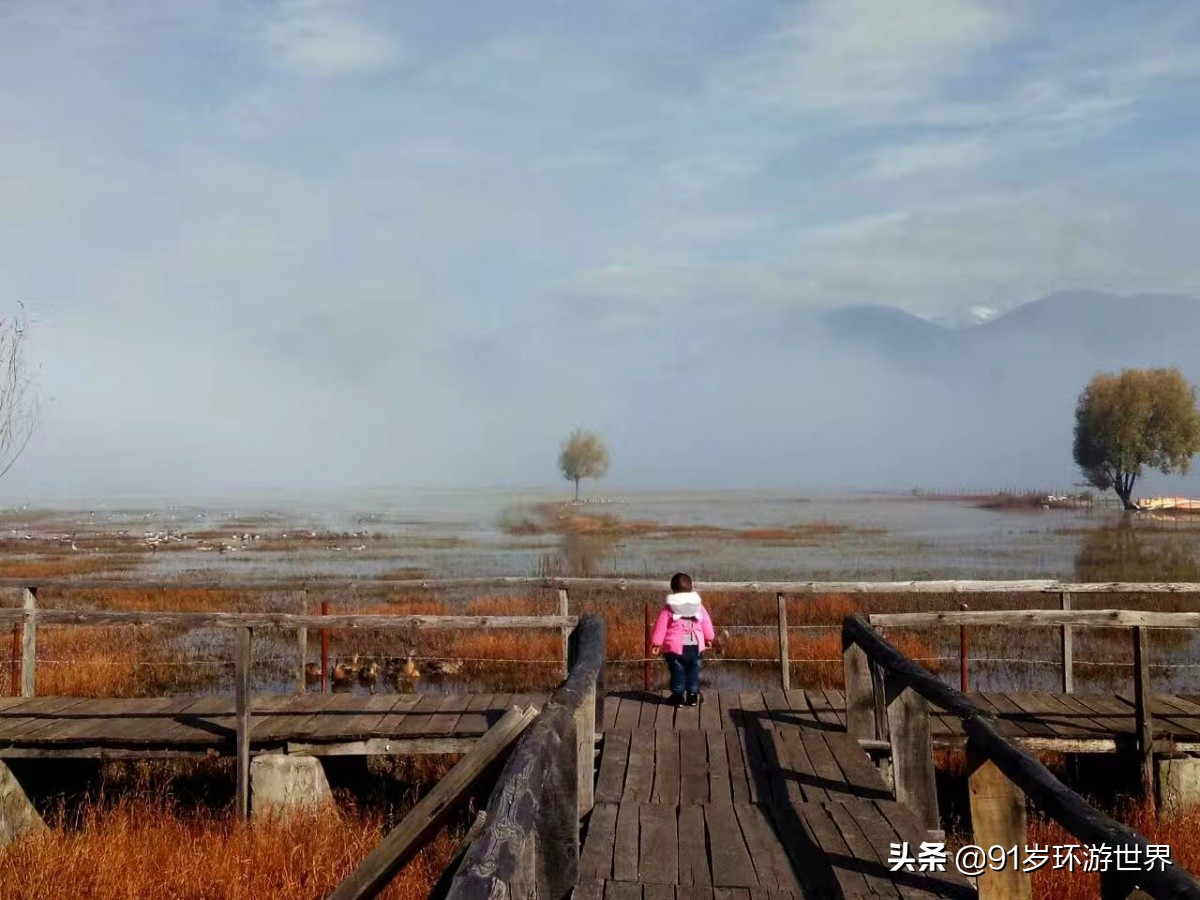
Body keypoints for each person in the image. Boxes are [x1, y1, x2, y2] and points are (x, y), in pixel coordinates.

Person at [650, 572, 715, 706]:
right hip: (695, 645)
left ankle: (678, 697)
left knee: (677, 671)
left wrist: (656, 643)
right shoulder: (698, 606)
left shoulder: (668, 608)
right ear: (691, 589)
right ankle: (692, 696)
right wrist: (709, 638)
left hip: (674, 648)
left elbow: (661, 626)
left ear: (672, 590)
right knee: (693, 670)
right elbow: (706, 623)